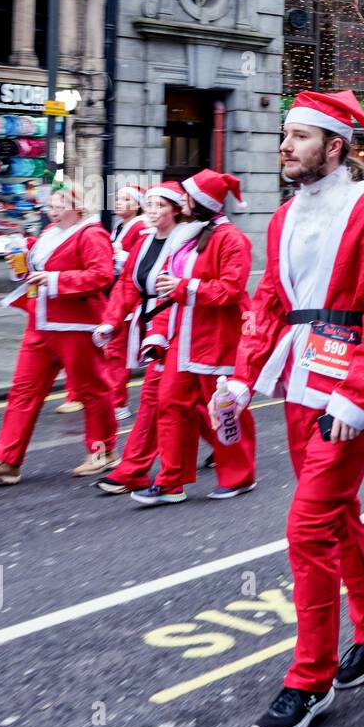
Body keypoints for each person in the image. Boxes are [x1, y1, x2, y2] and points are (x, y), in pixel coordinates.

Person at [224, 90, 364, 727]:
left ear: (335, 148)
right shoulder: (282, 218)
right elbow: (271, 301)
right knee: (337, 515)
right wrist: (240, 377)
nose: (285, 146)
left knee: (307, 524)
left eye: (300, 137)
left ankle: (310, 678)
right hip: (302, 382)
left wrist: (360, 400)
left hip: (350, 390)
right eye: (284, 135)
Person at [0, 186, 117, 485]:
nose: (53, 210)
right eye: (51, 205)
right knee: (22, 392)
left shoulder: (90, 234)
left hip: (76, 327)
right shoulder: (49, 232)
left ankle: (103, 451)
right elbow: (37, 273)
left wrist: (55, 279)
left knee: (91, 391)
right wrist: (21, 269)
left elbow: (102, 275)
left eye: (61, 205)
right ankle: (7, 461)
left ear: (78, 207)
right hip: (40, 323)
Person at [130, 170, 256, 505]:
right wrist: (157, 334)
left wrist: (185, 288)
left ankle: (239, 476)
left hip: (216, 338)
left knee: (225, 409)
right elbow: (171, 290)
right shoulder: (188, 235)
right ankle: (171, 481)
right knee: (170, 405)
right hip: (182, 338)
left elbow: (231, 290)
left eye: (185, 196)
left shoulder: (231, 239)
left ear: (200, 202)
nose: (180, 201)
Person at [91, 182, 204, 494]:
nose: (152, 211)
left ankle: (152, 473)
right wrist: (111, 322)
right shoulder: (144, 242)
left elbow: (180, 293)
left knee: (166, 401)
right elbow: (128, 284)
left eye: (160, 205)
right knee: (169, 402)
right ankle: (143, 471)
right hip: (153, 325)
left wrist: (158, 335)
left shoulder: (187, 243)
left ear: (176, 210)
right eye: (149, 204)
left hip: (179, 329)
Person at [106, 184, 150, 422]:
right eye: (118, 198)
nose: (119, 202)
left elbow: (139, 261)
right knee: (111, 350)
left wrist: (117, 256)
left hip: (128, 297)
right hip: (115, 293)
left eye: (125, 199)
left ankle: (117, 403)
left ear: (136, 205)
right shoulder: (120, 227)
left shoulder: (140, 227)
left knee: (117, 351)